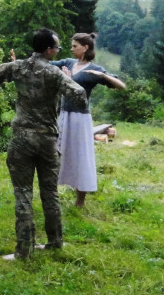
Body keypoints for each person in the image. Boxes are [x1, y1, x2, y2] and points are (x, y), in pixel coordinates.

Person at [0, 29, 85, 261]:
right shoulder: (53, 72)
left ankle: (24, 251)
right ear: (48, 49)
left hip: (22, 138)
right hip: (48, 139)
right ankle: (54, 243)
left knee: (23, 194)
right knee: (50, 193)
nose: (58, 51)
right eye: (58, 48)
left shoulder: (17, 67)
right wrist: (64, 81)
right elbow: (79, 94)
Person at [52, 33, 126, 208]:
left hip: (80, 118)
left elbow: (121, 86)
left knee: (81, 155)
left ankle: (80, 200)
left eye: (75, 46)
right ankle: (53, 193)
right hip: (64, 115)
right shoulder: (68, 63)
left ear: (85, 47)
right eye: (71, 46)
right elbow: (45, 64)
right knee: (58, 153)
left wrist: (101, 75)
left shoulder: (94, 69)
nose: (72, 49)